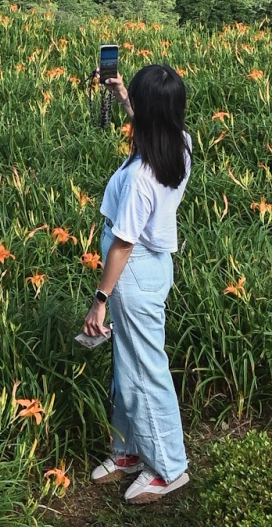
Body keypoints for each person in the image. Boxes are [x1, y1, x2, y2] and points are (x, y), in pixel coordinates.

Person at [81, 64, 192, 505]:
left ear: (147, 114)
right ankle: (129, 451)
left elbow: (122, 245)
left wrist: (99, 301)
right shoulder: (180, 143)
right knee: (128, 366)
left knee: (146, 370)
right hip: (154, 266)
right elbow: (150, 121)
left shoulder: (142, 178)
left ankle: (168, 467)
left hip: (132, 271)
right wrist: (123, 94)